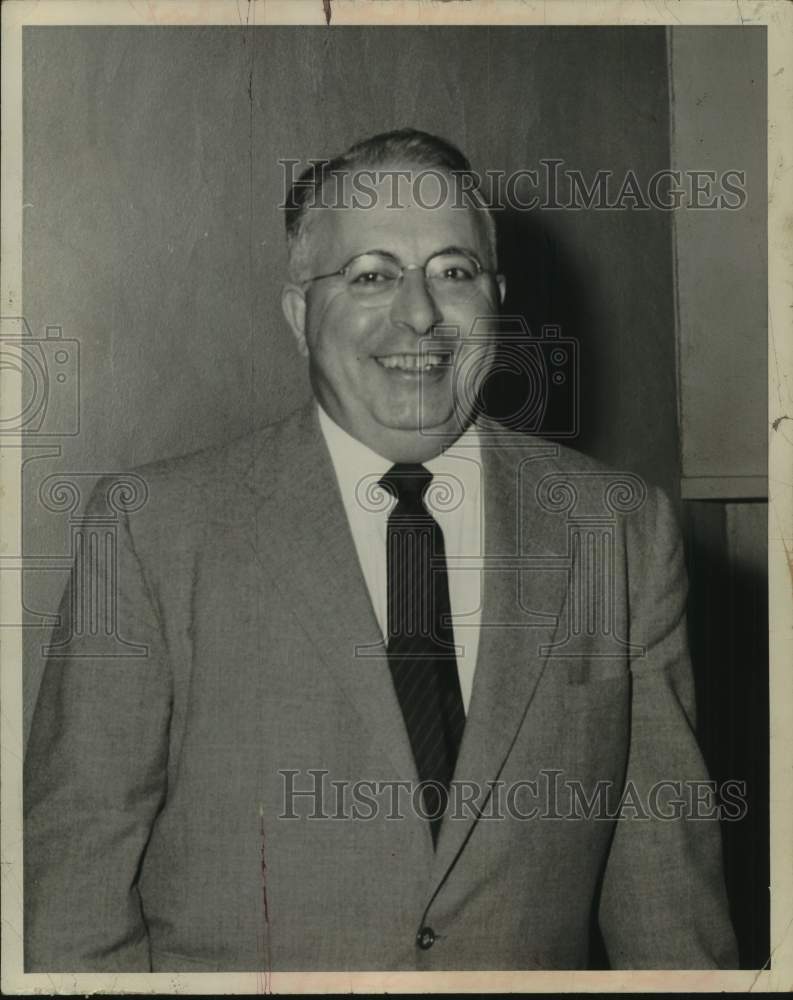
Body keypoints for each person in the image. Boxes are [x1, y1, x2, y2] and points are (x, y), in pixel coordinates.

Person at [24, 128, 738, 972]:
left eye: (454, 272)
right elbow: (74, 887)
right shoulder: (151, 530)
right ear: (300, 314)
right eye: (371, 275)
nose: (420, 314)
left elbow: (666, 887)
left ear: (496, 299)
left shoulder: (617, 529)